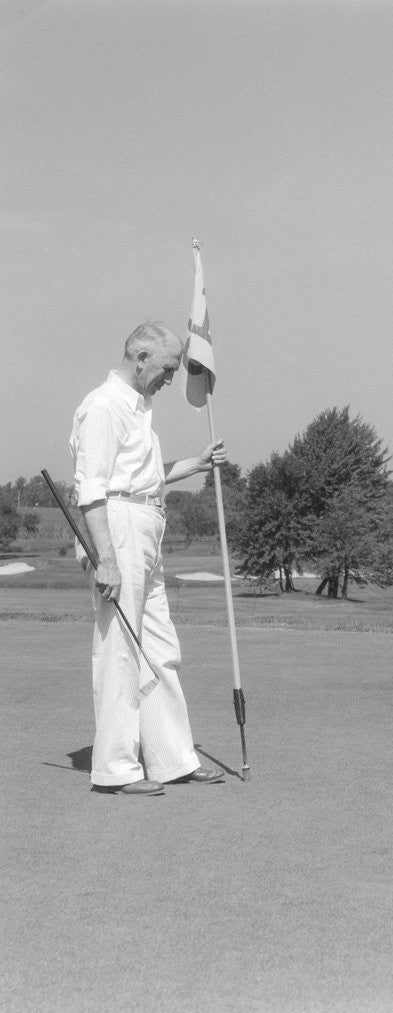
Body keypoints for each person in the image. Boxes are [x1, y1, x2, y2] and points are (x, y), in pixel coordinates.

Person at [70, 321, 227, 795]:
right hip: (116, 529)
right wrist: (106, 559)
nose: (170, 378)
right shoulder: (102, 406)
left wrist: (196, 464)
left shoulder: (138, 408)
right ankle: (116, 768)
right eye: (167, 368)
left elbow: (145, 475)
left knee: (160, 648)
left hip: (144, 525)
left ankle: (172, 758)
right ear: (140, 356)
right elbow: (92, 489)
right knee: (120, 648)